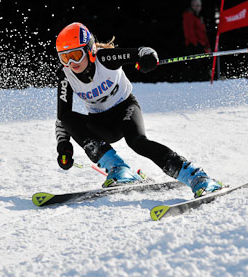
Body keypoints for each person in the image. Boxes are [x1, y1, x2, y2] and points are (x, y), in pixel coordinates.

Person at [54, 22, 222, 197]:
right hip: (101, 124)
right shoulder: (66, 75)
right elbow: (62, 119)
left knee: (138, 142)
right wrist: (63, 145)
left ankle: (196, 176)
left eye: (75, 55)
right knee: (68, 118)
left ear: (89, 49)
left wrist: (148, 58)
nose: (72, 63)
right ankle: (118, 169)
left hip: (125, 110)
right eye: (65, 58)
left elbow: (143, 51)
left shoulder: (105, 59)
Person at [182, 0, 212, 81]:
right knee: (197, 66)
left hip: (202, 45)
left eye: (199, 5)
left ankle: (205, 80)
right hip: (195, 45)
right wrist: (195, 44)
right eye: (196, 5)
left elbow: (203, 33)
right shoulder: (189, 15)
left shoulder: (199, 17)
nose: (197, 7)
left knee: (205, 65)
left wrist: (207, 46)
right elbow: (189, 31)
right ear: (192, 5)